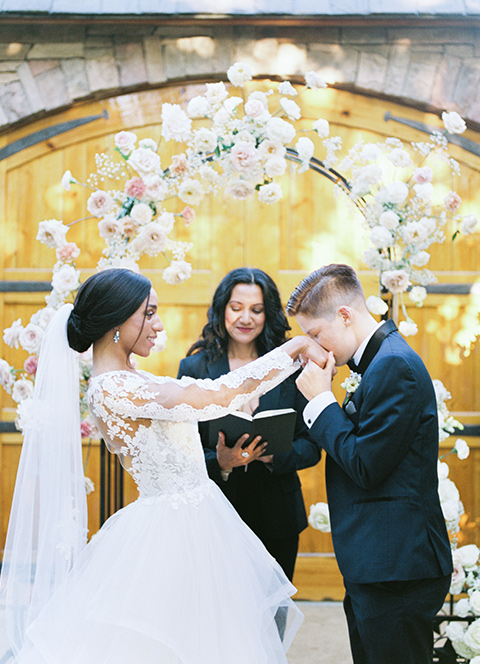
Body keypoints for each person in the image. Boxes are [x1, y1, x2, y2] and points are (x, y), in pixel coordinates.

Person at [1, 267, 328, 664]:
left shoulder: (130, 378)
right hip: (174, 533)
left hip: (196, 517)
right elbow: (216, 394)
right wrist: (293, 350)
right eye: (149, 313)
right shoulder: (116, 388)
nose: (159, 325)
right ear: (118, 322)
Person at [286, 263, 453, 664]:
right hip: (380, 561)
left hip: (398, 565)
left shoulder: (393, 365)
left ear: (344, 316)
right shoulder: (379, 361)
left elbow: (365, 465)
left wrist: (321, 401)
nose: (318, 347)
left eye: (315, 334)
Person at [177, 268, 321, 582]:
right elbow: (179, 449)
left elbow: (312, 447)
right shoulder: (194, 367)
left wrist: (272, 455)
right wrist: (221, 462)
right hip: (215, 511)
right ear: (222, 309)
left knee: (274, 619)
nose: (246, 318)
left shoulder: (292, 367)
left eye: (256, 310)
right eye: (236, 308)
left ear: (268, 314)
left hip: (277, 515)